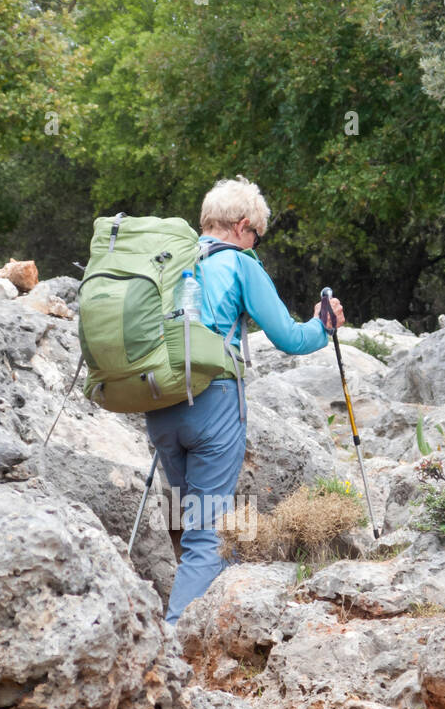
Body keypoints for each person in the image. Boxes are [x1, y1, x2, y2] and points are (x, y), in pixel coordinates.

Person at [145, 175, 344, 625]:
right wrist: (324, 326)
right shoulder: (240, 263)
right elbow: (290, 338)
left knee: (184, 517)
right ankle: (174, 642)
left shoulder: (166, 260)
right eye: (255, 234)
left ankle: (215, 609)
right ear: (240, 226)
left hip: (159, 406)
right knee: (206, 533)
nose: (255, 242)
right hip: (213, 407)